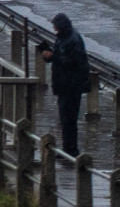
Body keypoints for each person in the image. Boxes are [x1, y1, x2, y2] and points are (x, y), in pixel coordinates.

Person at [38, 13, 92, 157]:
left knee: (69, 118)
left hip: (72, 86)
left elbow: (74, 62)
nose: (54, 28)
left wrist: (53, 57)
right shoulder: (63, 37)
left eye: (55, 25)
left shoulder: (73, 40)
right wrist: (48, 56)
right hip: (64, 85)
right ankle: (67, 148)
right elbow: (61, 58)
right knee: (65, 118)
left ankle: (71, 150)